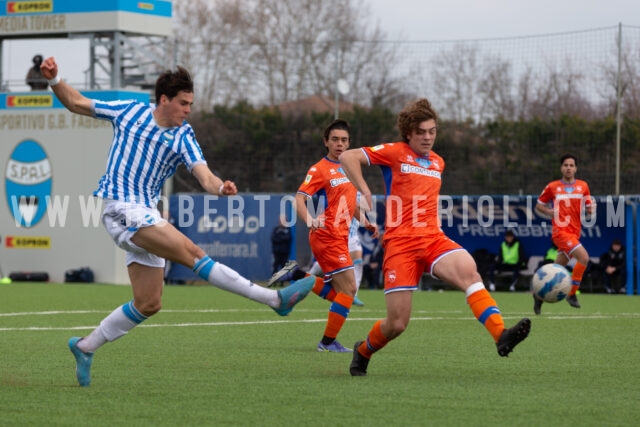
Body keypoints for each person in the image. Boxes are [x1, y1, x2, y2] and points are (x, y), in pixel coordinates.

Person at [40, 57, 315, 387]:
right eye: (183, 103)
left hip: (145, 216)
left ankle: (86, 347)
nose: (188, 110)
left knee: (149, 302)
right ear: (164, 100)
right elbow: (76, 102)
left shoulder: (184, 136)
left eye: (191, 104)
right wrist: (55, 79)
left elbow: (205, 176)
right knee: (192, 252)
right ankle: (275, 300)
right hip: (120, 208)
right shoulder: (129, 111)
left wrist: (221, 188)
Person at [339, 98, 531, 376]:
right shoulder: (395, 152)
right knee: (397, 324)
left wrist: (435, 224)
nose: (428, 137)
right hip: (401, 244)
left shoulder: (438, 162)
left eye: (432, 131)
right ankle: (363, 350)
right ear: (409, 133)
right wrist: (365, 190)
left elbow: (428, 199)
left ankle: (501, 334)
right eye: (421, 132)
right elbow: (348, 157)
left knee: (470, 272)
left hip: (431, 238)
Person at [269, 119, 377, 352]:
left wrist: (365, 222)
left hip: (339, 237)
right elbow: (299, 198)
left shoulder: (350, 168)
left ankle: (298, 274)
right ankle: (327, 343)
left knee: (341, 294)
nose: (340, 144)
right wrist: (310, 219)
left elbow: (350, 203)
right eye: (335, 140)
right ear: (326, 142)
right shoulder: (319, 169)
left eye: (344, 140)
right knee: (349, 290)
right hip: (326, 236)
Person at [534, 154, 595, 314]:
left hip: (575, 233)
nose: (568, 168)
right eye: (566, 165)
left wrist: (591, 209)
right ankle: (572, 294)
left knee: (556, 269)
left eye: (571, 165)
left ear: (576, 168)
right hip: (560, 232)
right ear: (561, 168)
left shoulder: (583, 186)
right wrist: (549, 212)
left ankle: (538, 297)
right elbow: (539, 205)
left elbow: (589, 206)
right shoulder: (553, 186)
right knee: (584, 258)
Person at [270, 215, 292, 284]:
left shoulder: (288, 229)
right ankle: (274, 282)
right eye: (280, 220)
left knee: (283, 268)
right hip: (276, 252)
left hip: (284, 253)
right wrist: (282, 238)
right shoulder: (276, 229)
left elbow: (288, 238)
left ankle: (282, 282)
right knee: (275, 267)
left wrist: (279, 237)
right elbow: (273, 238)